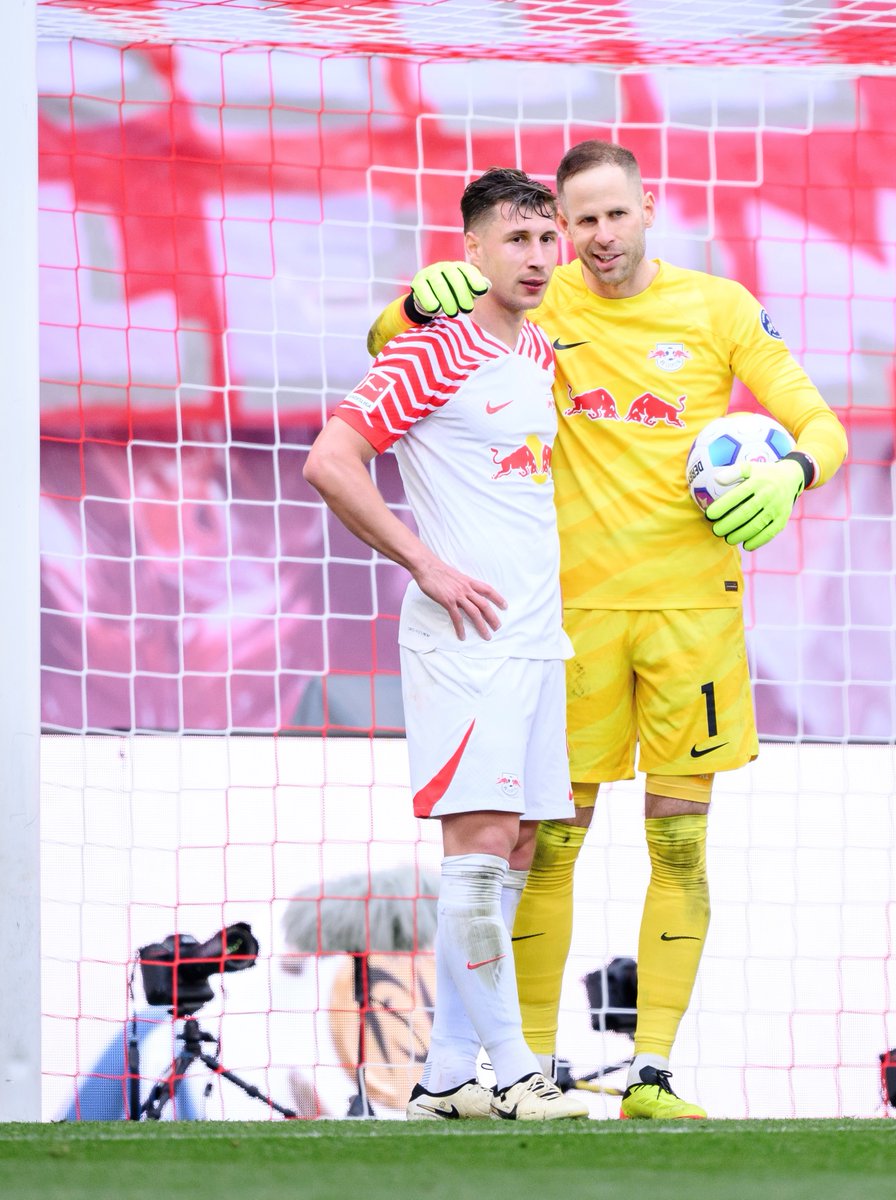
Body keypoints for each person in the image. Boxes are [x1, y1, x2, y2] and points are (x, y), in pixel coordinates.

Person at [366, 140, 849, 1119]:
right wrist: (417, 302)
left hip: (693, 619)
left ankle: (652, 1074)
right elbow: (392, 350)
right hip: (571, 622)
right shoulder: (539, 306)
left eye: (609, 216)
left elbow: (819, 424)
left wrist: (792, 475)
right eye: (575, 222)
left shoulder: (717, 309)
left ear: (646, 208)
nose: (592, 239)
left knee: (679, 846)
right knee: (545, 848)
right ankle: (526, 1067)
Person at [303, 167, 588, 1122]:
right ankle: (514, 1072)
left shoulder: (541, 353)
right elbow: (330, 461)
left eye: (547, 238)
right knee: (474, 847)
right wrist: (425, 563)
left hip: (535, 640)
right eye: (517, 240)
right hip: (462, 641)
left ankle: (446, 1079)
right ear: (470, 250)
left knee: (523, 844)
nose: (540, 257)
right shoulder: (434, 353)